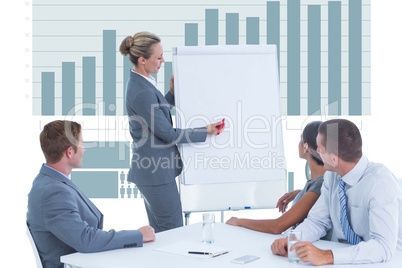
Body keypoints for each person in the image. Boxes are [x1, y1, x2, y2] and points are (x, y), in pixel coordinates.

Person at [119, 32, 223, 233]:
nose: (162, 61)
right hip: (155, 173)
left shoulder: (142, 82)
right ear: (142, 60)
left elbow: (155, 114)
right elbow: (167, 133)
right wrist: (206, 130)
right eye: (158, 57)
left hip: (155, 172)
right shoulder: (141, 90)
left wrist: (172, 94)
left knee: (164, 233)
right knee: (174, 231)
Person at [271, 118, 402, 265]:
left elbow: (382, 247)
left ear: (333, 159)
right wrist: (292, 241)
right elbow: (318, 221)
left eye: (320, 147)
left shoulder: (380, 183)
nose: (317, 150)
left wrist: (327, 256)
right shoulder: (332, 176)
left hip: (386, 262)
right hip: (348, 259)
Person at [26, 120, 155, 268]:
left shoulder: (51, 181)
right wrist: (137, 235)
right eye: (81, 144)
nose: (84, 149)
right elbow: (85, 239)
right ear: (69, 152)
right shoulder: (53, 192)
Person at [226, 121, 325, 234]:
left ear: (305, 147)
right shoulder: (317, 182)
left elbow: (277, 226)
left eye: (301, 139)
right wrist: (301, 193)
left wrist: (239, 221)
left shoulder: (320, 184)